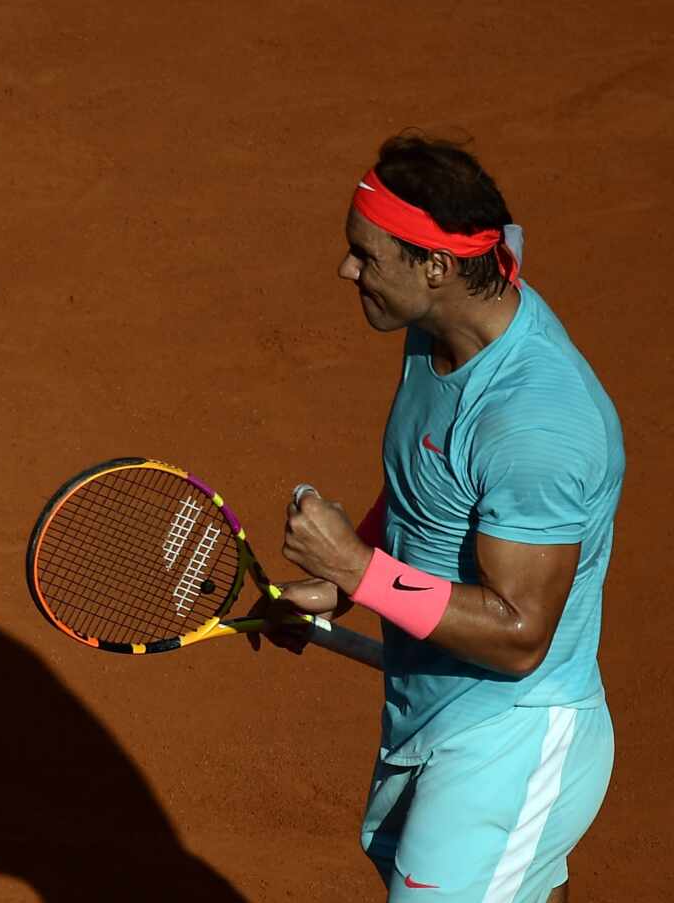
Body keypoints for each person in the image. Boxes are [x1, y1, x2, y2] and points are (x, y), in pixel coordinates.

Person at [257, 133, 624, 903]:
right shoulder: (442, 324)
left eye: (367, 255)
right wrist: (345, 581)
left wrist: (362, 570)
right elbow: (429, 477)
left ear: (436, 264)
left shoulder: (537, 421)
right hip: (429, 709)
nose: (346, 270)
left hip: (511, 735)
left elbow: (521, 634)